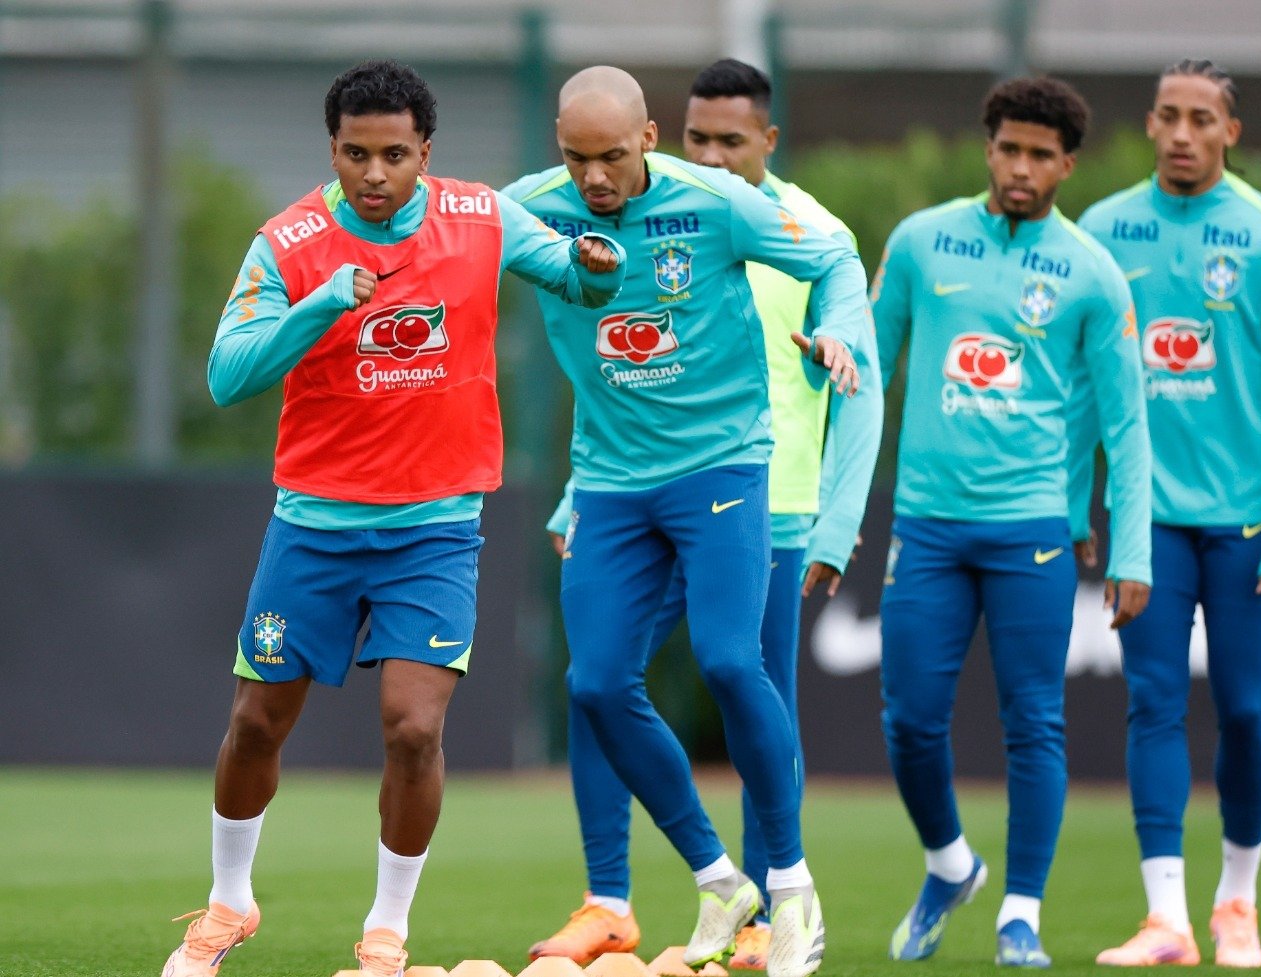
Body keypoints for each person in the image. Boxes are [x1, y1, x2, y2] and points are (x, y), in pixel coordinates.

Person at [160, 60, 625, 977]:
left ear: (427, 152)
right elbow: (226, 374)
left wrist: (599, 264)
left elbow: (580, 281)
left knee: (414, 727)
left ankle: (386, 932)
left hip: (435, 527)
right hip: (314, 525)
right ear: (331, 149)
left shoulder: (480, 216)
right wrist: (320, 307)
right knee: (256, 720)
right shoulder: (289, 241)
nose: (375, 176)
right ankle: (227, 903)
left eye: (395, 155)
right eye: (355, 155)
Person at [501, 64, 870, 977]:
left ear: (650, 139)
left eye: (613, 157)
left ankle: (789, 888)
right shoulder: (530, 207)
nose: (594, 178)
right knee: (595, 683)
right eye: (577, 157)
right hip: (612, 482)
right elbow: (426, 220)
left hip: (723, 467)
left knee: (729, 660)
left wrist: (840, 333)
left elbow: (834, 258)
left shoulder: (719, 202)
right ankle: (718, 877)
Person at [871, 76, 1152, 968]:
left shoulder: (1094, 274)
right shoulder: (920, 242)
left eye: (1041, 154)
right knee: (910, 717)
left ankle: (1019, 914)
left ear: (1068, 164)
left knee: (1034, 723)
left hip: (1032, 528)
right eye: (1009, 148)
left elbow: (1127, 425)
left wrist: (1132, 548)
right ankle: (950, 864)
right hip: (927, 526)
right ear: (987, 147)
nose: (1021, 167)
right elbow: (862, 376)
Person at [1078, 59, 1261, 969]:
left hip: (1249, 523)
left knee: (1246, 711)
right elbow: (1079, 390)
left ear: (1232, 132)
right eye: (1169, 117)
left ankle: (1237, 901)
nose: (1184, 134)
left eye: (1202, 119)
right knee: (1150, 703)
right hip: (1147, 523)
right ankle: (1166, 920)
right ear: (1148, 124)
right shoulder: (1104, 232)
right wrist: (1082, 506)